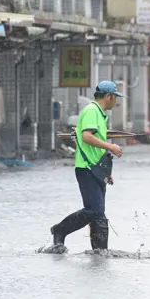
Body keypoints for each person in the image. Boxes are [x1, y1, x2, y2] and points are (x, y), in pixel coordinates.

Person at [50, 80, 124, 251]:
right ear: (109, 96)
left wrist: (105, 171)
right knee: (93, 210)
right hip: (86, 169)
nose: (116, 101)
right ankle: (60, 229)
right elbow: (87, 137)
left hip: (97, 169)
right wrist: (111, 146)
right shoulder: (91, 111)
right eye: (115, 97)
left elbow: (94, 147)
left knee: (99, 214)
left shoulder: (99, 113)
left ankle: (99, 252)